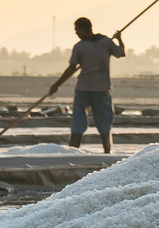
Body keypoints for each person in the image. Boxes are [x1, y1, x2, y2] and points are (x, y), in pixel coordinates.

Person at [48, 17, 126, 153]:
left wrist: (56, 85)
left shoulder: (89, 45)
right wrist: (119, 40)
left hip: (92, 89)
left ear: (84, 29)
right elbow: (121, 52)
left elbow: (71, 68)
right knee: (97, 121)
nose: (76, 33)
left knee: (91, 120)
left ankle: (80, 150)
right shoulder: (103, 42)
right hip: (94, 89)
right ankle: (90, 150)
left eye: (77, 30)